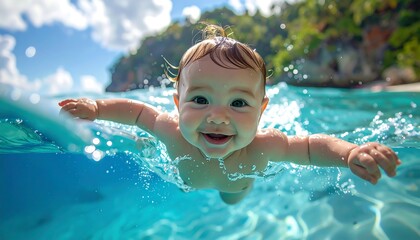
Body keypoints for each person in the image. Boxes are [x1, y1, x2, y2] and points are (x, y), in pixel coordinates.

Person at [59, 25, 401, 205]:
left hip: (237, 186)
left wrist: (349, 153)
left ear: (261, 110)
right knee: (181, 182)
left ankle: (229, 194)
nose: (218, 117)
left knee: (232, 199)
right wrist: (97, 108)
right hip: (187, 175)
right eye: (201, 99)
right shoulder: (170, 130)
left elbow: (311, 146)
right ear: (178, 105)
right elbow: (136, 113)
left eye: (239, 104)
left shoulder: (266, 147)